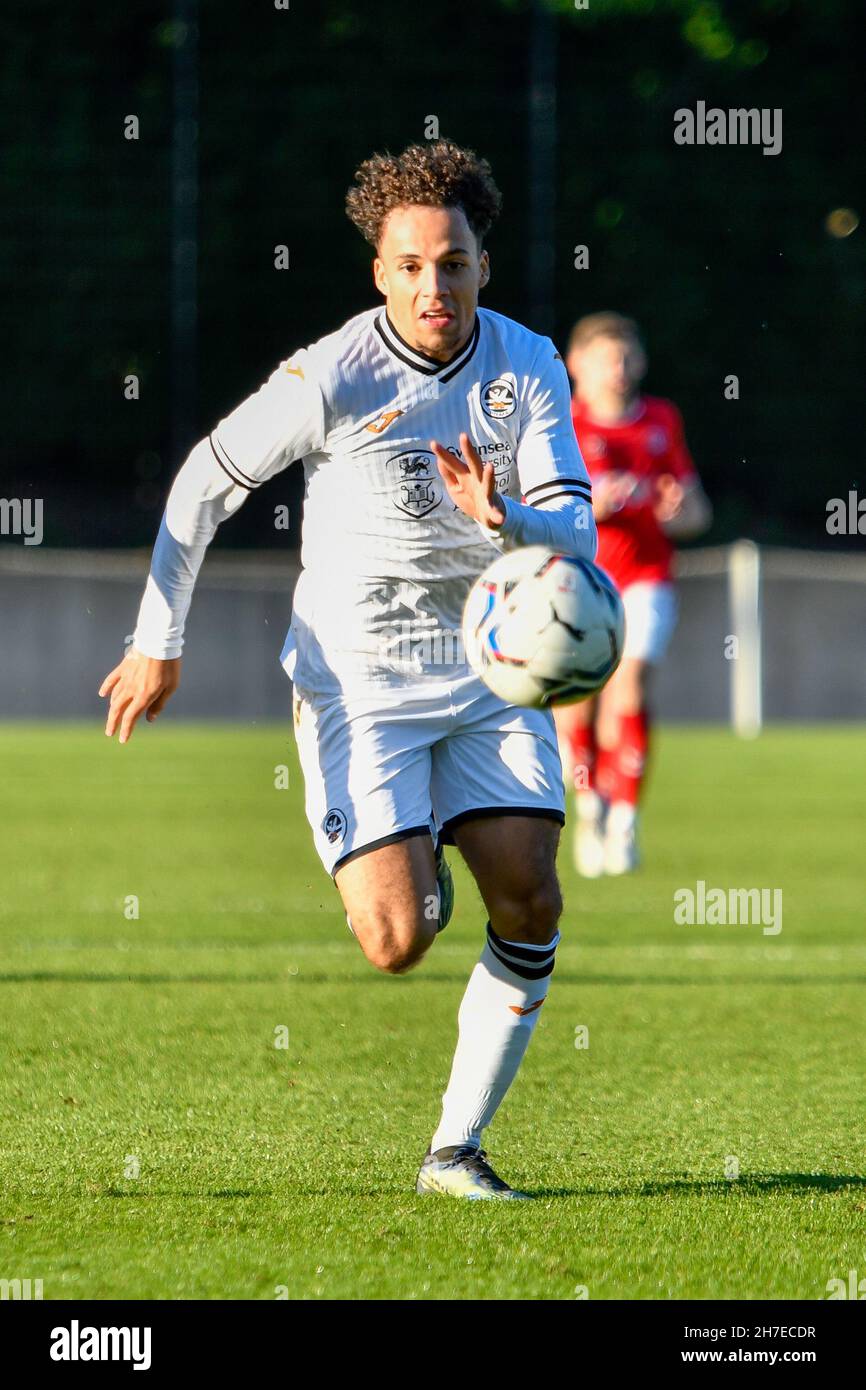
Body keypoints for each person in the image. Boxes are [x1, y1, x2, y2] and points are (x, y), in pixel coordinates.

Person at [98, 140, 597, 1200]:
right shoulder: (331, 373)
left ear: (481, 266)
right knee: (394, 939)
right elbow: (198, 487)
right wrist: (158, 640)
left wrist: (500, 517)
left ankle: (453, 1152)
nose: (434, 285)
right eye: (410, 265)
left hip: (485, 664)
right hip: (358, 678)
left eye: (452, 262)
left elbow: (578, 537)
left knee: (530, 894)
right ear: (378, 272)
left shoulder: (528, 364)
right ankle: (413, 860)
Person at [554, 313, 711, 877]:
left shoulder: (661, 421)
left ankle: (624, 818)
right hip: (575, 584)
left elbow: (696, 511)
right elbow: (531, 510)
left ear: (640, 363)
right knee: (580, 699)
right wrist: (586, 509)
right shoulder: (560, 421)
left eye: (626, 358)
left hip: (646, 578)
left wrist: (678, 511)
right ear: (576, 366)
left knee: (632, 684)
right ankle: (590, 803)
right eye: (604, 359)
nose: (617, 370)